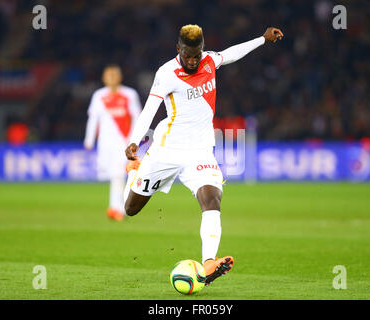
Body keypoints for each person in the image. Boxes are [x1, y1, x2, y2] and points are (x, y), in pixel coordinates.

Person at [123, 25, 283, 285]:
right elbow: (149, 110)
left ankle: (208, 263)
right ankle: (133, 173)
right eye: (188, 55)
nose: (193, 60)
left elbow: (231, 54)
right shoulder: (166, 73)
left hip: (200, 151)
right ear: (178, 49)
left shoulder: (209, 60)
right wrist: (134, 141)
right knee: (130, 209)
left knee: (211, 199)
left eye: (196, 55)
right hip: (167, 151)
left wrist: (262, 40)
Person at [84, 65, 142, 221]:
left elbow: (137, 117)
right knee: (111, 175)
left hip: (123, 142)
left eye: (114, 75)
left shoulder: (129, 94)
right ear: (103, 78)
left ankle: (117, 209)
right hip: (105, 143)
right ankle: (116, 207)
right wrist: (89, 140)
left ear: (120, 77)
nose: (111, 78)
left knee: (118, 174)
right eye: (108, 75)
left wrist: (134, 140)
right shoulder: (99, 95)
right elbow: (93, 118)